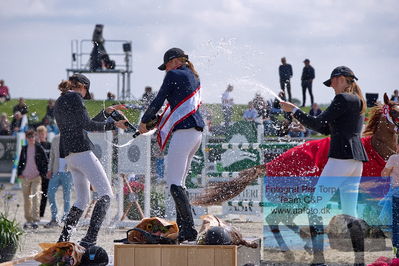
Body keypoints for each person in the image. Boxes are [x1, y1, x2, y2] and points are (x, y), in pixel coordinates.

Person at [280, 66, 368, 265]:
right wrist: (301, 117)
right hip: (356, 162)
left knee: (314, 208)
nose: (332, 86)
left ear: (345, 80)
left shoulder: (342, 99)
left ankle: (319, 260)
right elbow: (324, 127)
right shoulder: (358, 101)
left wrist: (294, 110)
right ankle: (359, 261)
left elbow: (318, 123)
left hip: (340, 160)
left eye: (334, 81)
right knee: (351, 213)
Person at [138, 47, 204, 242]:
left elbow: (159, 99)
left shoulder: (174, 74)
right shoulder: (193, 76)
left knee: (174, 183)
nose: (166, 70)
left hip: (183, 133)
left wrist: (144, 120)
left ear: (175, 61)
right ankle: (182, 228)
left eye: (166, 65)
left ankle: (189, 230)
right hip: (196, 134)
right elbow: (175, 105)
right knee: (179, 183)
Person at [54, 74, 127, 248]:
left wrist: (106, 113)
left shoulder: (60, 100)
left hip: (70, 155)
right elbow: (88, 126)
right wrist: (113, 125)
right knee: (106, 194)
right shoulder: (76, 97)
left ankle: (64, 239)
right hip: (83, 152)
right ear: (84, 87)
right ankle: (89, 239)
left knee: (82, 200)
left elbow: (86, 124)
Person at [17, 130, 48, 229]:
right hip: (25, 177)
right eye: (29, 137)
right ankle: (28, 219)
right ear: (26, 138)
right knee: (26, 199)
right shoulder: (24, 149)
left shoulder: (39, 148)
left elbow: (45, 161)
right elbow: (21, 161)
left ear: (35, 137)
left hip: (36, 177)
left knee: (36, 197)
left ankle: (36, 219)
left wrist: (42, 173)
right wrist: (19, 173)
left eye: (33, 137)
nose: (31, 139)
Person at [45, 134, 73, 228]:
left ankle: (65, 218)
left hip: (68, 172)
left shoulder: (71, 137)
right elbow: (52, 155)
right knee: (50, 193)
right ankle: (54, 217)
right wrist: (49, 169)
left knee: (67, 197)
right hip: (55, 171)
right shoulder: (55, 139)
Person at [36, 125, 51, 218]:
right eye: (39, 134)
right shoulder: (36, 145)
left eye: (43, 133)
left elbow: (51, 158)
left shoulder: (49, 145)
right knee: (35, 194)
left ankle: (41, 214)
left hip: (46, 173)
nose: (41, 135)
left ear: (46, 134)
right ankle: (35, 213)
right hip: (37, 173)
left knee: (44, 194)